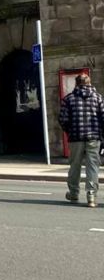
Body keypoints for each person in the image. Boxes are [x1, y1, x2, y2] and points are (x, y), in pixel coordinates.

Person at [59, 74, 104, 208]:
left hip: (75, 138)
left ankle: (73, 193)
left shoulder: (69, 99)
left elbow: (62, 119)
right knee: (93, 167)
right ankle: (91, 196)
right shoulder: (98, 98)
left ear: (76, 84)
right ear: (90, 83)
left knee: (75, 166)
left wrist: (70, 131)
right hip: (94, 138)